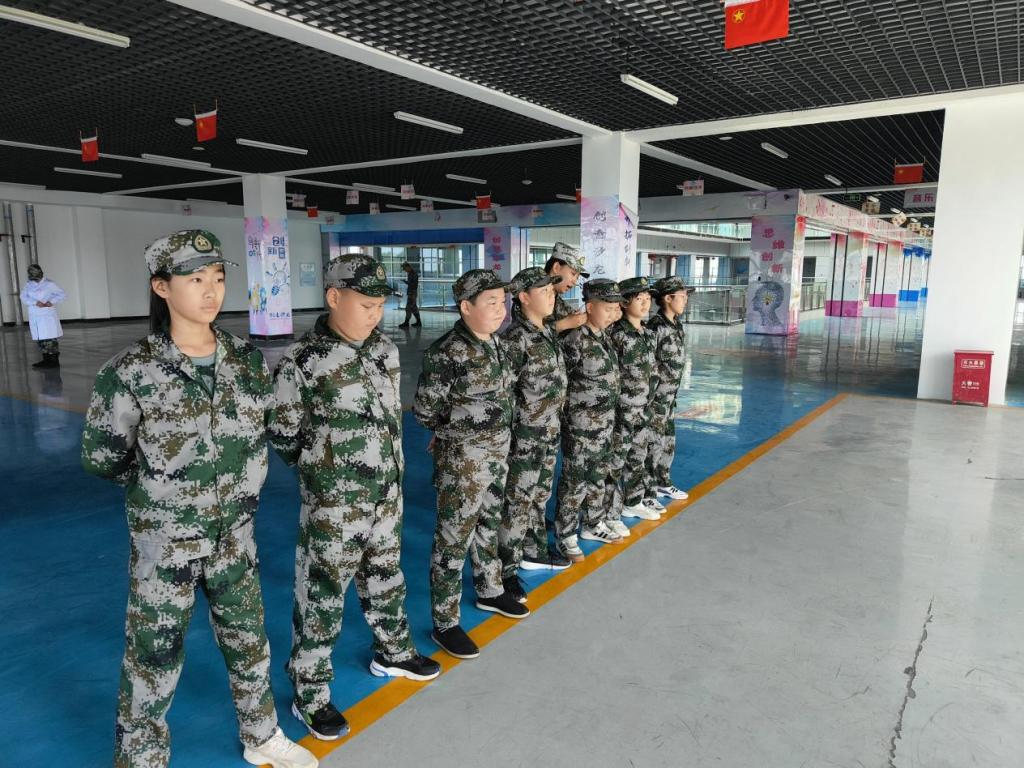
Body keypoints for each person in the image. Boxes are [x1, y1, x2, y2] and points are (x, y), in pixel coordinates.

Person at [81, 230, 316, 768]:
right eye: (194, 279)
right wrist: (162, 493)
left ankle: (262, 735)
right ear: (161, 287)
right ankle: (142, 757)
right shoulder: (130, 370)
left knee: (248, 639)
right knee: (154, 653)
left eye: (218, 278)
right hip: (166, 543)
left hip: (235, 535)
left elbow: (265, 430)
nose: (211, 291)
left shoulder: (245, 360)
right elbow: (103, 456)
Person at [268, 253, 440, 742]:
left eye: (381, 305)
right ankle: (310, 691)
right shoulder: (303, 361)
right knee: (321, 595)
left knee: (386, 576)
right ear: (334, 297)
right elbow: (283, 433)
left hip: (386, 494)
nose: (375, 314)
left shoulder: (383, 349)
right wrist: (324, 474)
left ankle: (393, 651)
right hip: (334, 506)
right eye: (366, 304)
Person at [413, 268, 529, 660]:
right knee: (453, 539)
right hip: (462, 463)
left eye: (503, 302)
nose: (501, 309)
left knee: (488, 525)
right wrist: (452, 430)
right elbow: (424, 410)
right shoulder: (447, 353)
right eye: (491, 302)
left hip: (497, 455)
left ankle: (490, 590)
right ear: (466, 307)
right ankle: (445, 622)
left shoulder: (497, 344)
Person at [497, 267, 572, 602]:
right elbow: (504, 394)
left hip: (548, 430)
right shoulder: (516, 340)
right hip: (524, 437)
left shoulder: (545, 332)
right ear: (524, 297)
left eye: (552, 290)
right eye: (543, 291)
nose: (552, 296)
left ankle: (534, 550)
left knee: (539, 495)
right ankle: (505, 571)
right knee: (517, 503)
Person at [554, 279, 625, 562]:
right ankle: (565, 534)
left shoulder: (604, 336)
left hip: (604, 423)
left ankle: (593, 523)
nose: (613, 313)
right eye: (608, 308)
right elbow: (561, 382)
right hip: (581, 426)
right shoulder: (574, 339)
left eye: (616, 308)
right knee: (575, 482)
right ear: (590, 307)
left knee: (598, 476)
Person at [607, 277, 663, 529]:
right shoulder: (616, 335)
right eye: (639, 299)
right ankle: (610, 513)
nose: (645, 304)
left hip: (643, 409)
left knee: (637, 456)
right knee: (615, 463)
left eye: (648, 299)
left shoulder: (647, 333)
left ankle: (633, 501)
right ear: (624, 302)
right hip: (623, 410)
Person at [645, 276, 694, 503]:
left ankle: (662, 482)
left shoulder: (676, 324)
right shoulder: (656, 327)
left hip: (669, 397)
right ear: (667, 298)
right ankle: (647, 490)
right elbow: (649, 364)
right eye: (682, 296)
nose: (685, 300)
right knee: (653, 443)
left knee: (668, 441)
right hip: (656, 398)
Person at [20, 263, 65, 368]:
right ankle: (46, 360)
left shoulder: (49, 284)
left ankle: (54, 361)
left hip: (47, 315)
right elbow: (23, 297)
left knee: (49, 339)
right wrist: (35, 302)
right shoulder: (28, 284)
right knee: (41, 339)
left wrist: (51, 301)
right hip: (35, 315)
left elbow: (61, 294)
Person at [544, 242, 589, 334]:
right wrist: (563, 324)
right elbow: (525, 333)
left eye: (577, 277)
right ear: (556, 267)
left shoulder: (559, 302)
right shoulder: (532, 296)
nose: (575, 281)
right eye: (573, 274)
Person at [397, 261, 422, 327]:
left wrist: (407, 282)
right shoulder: (410, 273)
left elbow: (414, 284)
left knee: (408, 308)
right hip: (411, 293)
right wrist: (406, 282)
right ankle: (418, 322)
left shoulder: (413, 274)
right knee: (413, 308)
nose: (404, 270)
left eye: (404, 268)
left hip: (412, 293)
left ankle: (407, 322)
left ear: (408, 267)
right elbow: (412, 283)